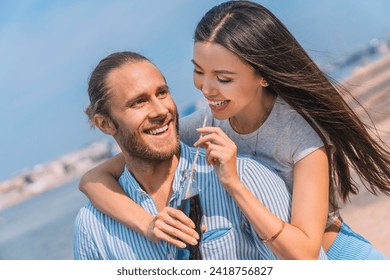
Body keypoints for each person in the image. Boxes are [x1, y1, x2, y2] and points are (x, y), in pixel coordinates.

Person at [79, 1, 390, 259]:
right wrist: (148, 223)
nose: (207, 90)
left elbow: (306, 255)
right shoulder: (205, 123)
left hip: (334, 253)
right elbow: (94, 179)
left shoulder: (301, 136)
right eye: (199, 72)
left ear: (263, 76)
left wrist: (234, 184)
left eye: (223, 78)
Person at [73, 50, 306, 260]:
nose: (161, 110)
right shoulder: (92, 228)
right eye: (138, 102)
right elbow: (90, 181)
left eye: (162, 93)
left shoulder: (246, 176)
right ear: (105, 124)